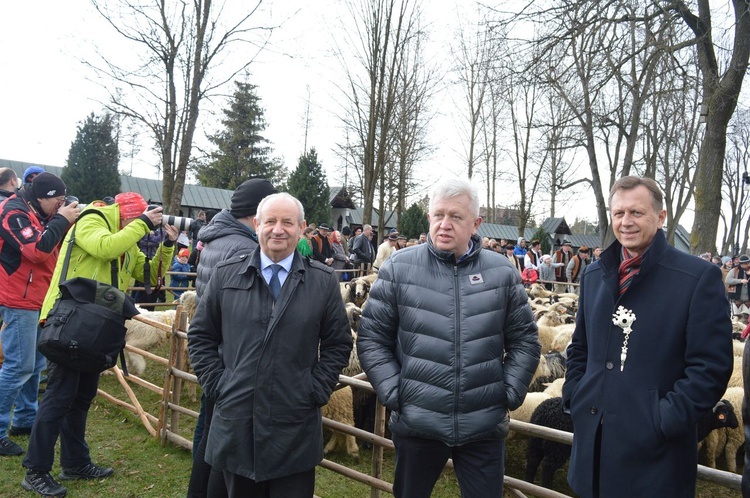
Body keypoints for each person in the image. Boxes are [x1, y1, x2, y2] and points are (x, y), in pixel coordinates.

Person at [357, 177, 540, 497]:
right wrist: (395, 391)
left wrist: (507, 392)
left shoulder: (501, 272)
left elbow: (525, 340)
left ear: (476, 223)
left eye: (455, 216)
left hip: (483, 426)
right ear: (429, 217)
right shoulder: (399, 268)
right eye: (438, 215)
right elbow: (372, 338)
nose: (444, 224)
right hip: (418, 423)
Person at [562, 176, 733, 498]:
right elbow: (581, 346)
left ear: (661, 216)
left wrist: (662, 420)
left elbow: (710, 367)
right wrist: (576, 394)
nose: (626, 222)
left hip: (655, 461)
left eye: (637, 213)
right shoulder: (595, 275)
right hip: (593, 450)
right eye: (619, 213)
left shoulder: (696, 278)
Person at [188, 192, 352, 497]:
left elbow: (338, 343)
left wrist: (314, 389)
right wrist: (219, 384)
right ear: (256, 224)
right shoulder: (226, 274)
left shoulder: (322, 281)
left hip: (294, 423)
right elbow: (200, 336)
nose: (279, 229)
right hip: (238, 421)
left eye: (287, 222)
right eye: (271, 221)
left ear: (301, 227)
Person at [21, 192, 177, 497]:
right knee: (59, 396)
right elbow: (104, 249)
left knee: (81, 397)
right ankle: (36, 470)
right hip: (69, 321)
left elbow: (147, 270)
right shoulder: (91, 219)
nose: (139, 225)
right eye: (137, 219)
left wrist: (168, 246)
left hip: (96, 328)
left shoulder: (126, 236)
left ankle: (75, 462)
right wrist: (143, 224)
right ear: (125, 214)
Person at [189, 177, 277, 498]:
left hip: (215, 354)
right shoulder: (244, 248)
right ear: (257, 213)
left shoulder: (216, 239)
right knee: (222, 441)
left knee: (207, 429)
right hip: (233, 361)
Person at [0, 173, 79, 459]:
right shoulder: (13, 212)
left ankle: (24, 418)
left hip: (36, 296)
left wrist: (58, 219)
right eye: (57, 202)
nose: (60, 206)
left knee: (34, 365)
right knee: (18, 366)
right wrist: (62, 220)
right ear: (42, 197)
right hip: (18, 298)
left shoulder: (35, 210)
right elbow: (36, 250)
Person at [726, 254, 750, 320]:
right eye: (746, 264)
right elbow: (728, 280)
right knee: (735, 318)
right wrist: (740, 281)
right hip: (736, 299)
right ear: (742, 264)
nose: (748, 265)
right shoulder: (734, 270)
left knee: (747, 320)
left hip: (748, 300)